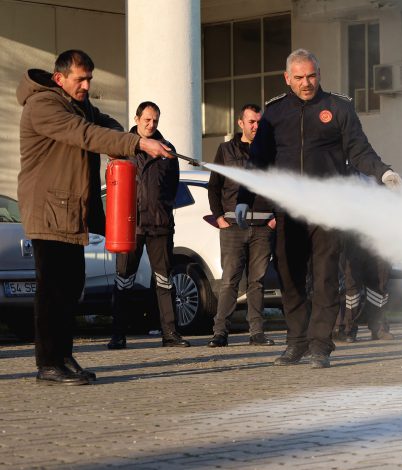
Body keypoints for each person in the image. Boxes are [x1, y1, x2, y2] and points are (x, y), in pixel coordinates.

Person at [236, 49, 402, 368]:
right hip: (289, 211)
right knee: (290, 276)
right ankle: (296, 342)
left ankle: (320, 346)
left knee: (326, 277)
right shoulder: (274, 113)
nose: (306, 83)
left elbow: (359, 150)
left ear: (319, 74)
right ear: (287, 78)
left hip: (328, 209)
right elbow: (257, 161)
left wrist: (383, 172)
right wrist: (244, 198)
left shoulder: (338, 108)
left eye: (311, 76)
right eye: (298, 78)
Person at [16, 50, 173, 385]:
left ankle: (63, 356)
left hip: (71, 210)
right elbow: (85, 134)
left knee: (72, 287)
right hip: (47, 209)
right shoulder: (43, 105)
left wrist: (130, 139)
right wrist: (138, 144)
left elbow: (107, 125)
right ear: (60, 78)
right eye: (80, 79)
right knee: (53, 289)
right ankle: (47, 363)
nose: (87, 85)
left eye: (89, 78)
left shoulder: (78, 104)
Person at [107, 102, 189, 350]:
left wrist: (163, 211)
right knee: (124, 281)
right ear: (137, 118)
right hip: (130, 226)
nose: (151, 125)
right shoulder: (124, 145)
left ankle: (170, 334)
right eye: (147, 120)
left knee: (165, 281)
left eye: (155, 121)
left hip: (160, 225)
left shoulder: (168, 150)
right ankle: (118, 335)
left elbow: (172, 186)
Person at [206, 104, 276, 348]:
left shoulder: (270, 152)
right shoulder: (226, 150)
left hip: (263, 227)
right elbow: (214, 186)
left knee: (257, 281)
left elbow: (280, 185)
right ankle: (220, 333)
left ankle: (256, 332)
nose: (255, 126)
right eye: (251, 122)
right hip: (233, 226)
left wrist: (274, 217)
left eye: (259, 122)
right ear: (240, 123)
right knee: (230, 280)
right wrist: (219, 217)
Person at [336, 236, 395, 343]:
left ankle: (378, 327)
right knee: (351, 285)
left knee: (381, 284)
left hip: (380, 237)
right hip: (353, 236)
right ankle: (346, 329)